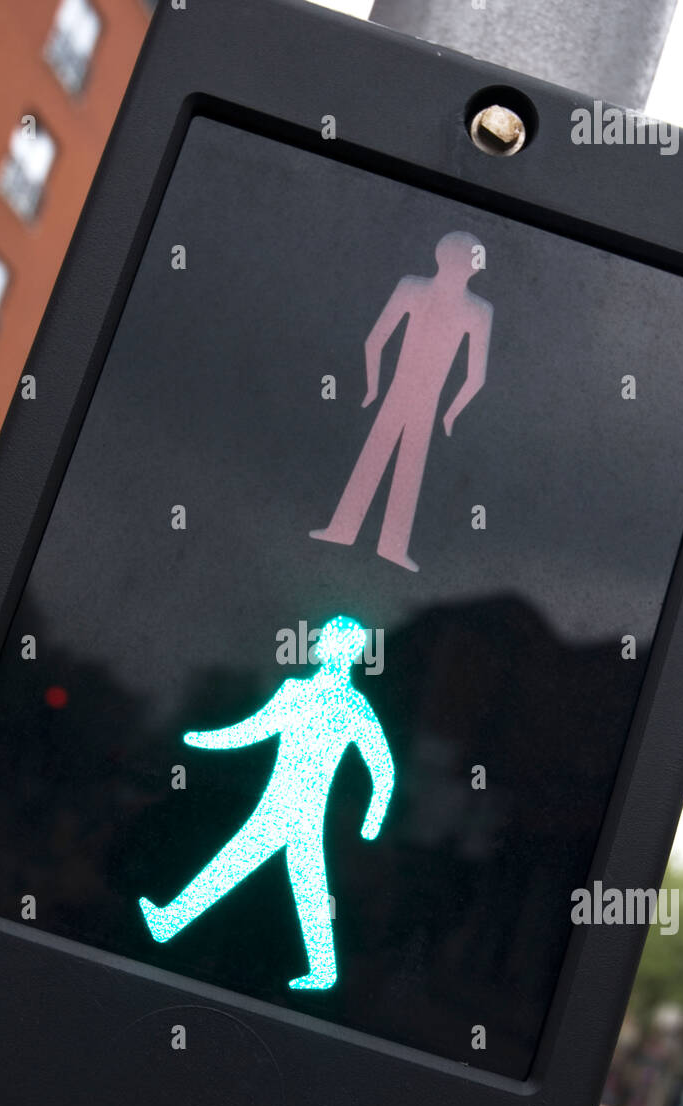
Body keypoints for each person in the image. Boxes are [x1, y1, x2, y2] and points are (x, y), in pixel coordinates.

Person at [139, 615, 394, 990]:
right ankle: (172, 921)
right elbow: (252, 729)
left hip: (292, 811)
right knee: (284, 878)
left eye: (330, 641)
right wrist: (202, 740)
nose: (324, 646)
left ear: (336, 650)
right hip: (284, 808)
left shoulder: (348, 706)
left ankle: (171, 921)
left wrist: (373, 819)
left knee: (250, 869)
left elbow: (382, 768)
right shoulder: (306, 694)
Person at [310, 231, 493, 572]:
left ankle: (351, 531)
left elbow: (374, 341)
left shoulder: (422, 291)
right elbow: (475, 378)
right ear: (474, 267)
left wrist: (374, 387)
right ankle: (377, 541)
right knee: (405, 463)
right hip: (421, 396)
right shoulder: (475, 310)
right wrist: (450, 413)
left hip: (406, 391)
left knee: (383, 459)